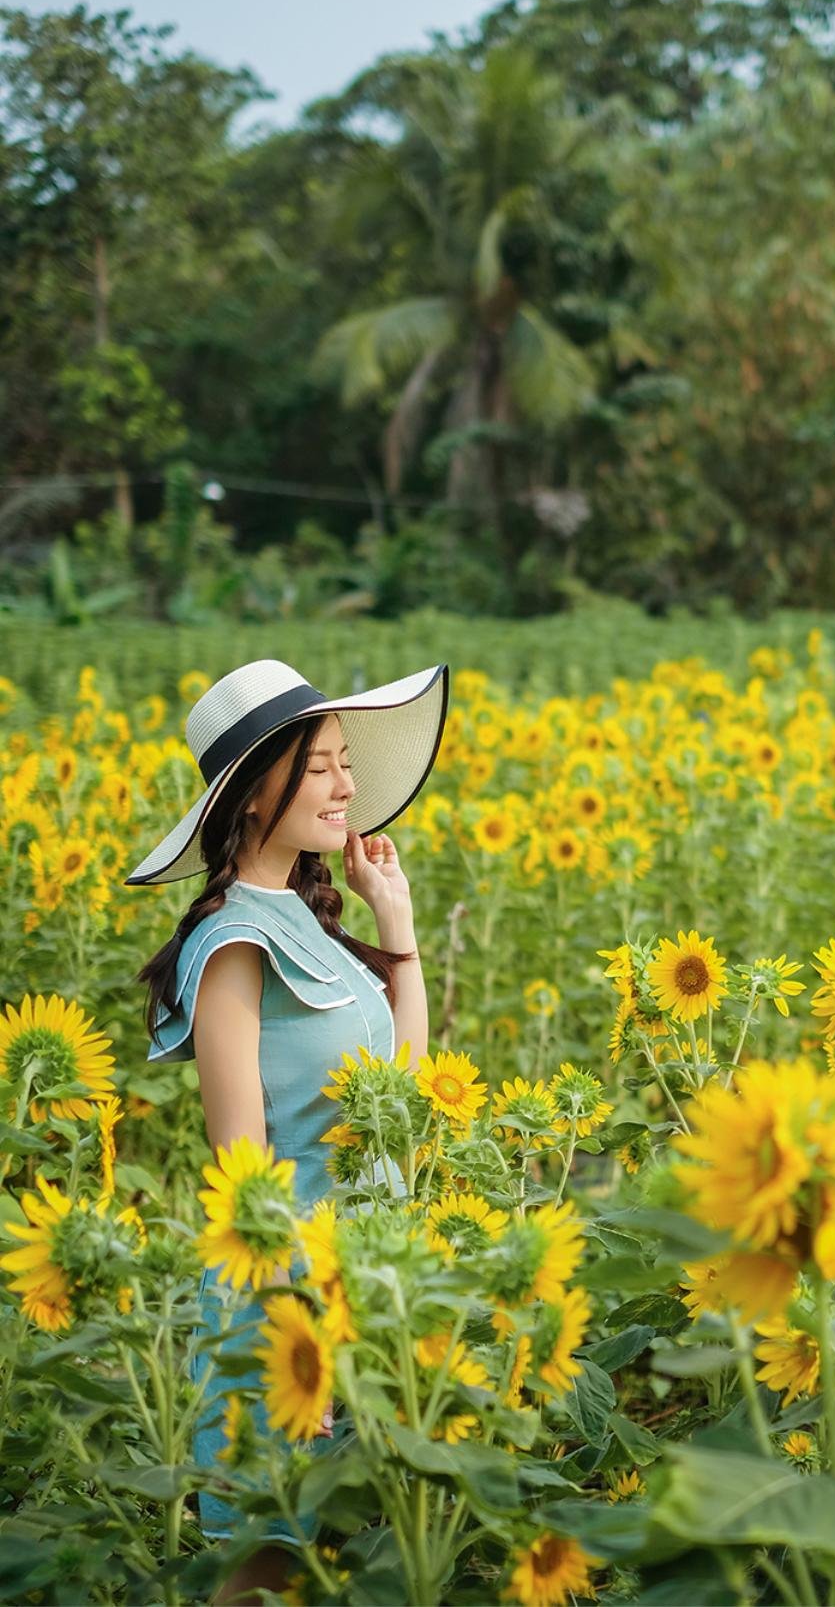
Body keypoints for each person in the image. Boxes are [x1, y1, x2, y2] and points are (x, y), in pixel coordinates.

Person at [127, 658, 449, 1604]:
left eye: (348, 764)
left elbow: (403, 1094)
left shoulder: (309, 922)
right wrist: (290, 1346)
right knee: (265, 1572)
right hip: (289, 1309)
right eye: (321, 769)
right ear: (255, 794)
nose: (348, 787)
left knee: (352, 1568)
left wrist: (401, 933)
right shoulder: (232, 942)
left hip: (368, 1294)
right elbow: (243, 1171)